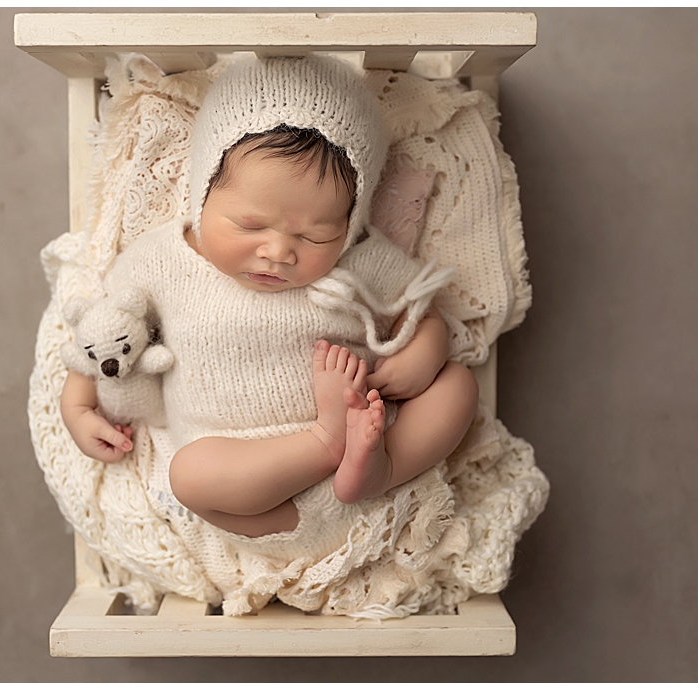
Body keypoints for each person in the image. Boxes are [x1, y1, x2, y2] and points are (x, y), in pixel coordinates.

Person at [56, 55, 474, 540]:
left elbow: (423, 311)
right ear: (201, 194)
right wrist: (78, 408)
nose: (277, 252)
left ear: (352, 222)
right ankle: (322, 442)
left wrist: (423, 357)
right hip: (253, 486)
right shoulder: (164, 261)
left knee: (456, 385)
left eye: (316, 235)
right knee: (189, 474)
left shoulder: (361, 260)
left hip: (366, 457)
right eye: (249, 225)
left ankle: (383, 467)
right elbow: (104, 331)